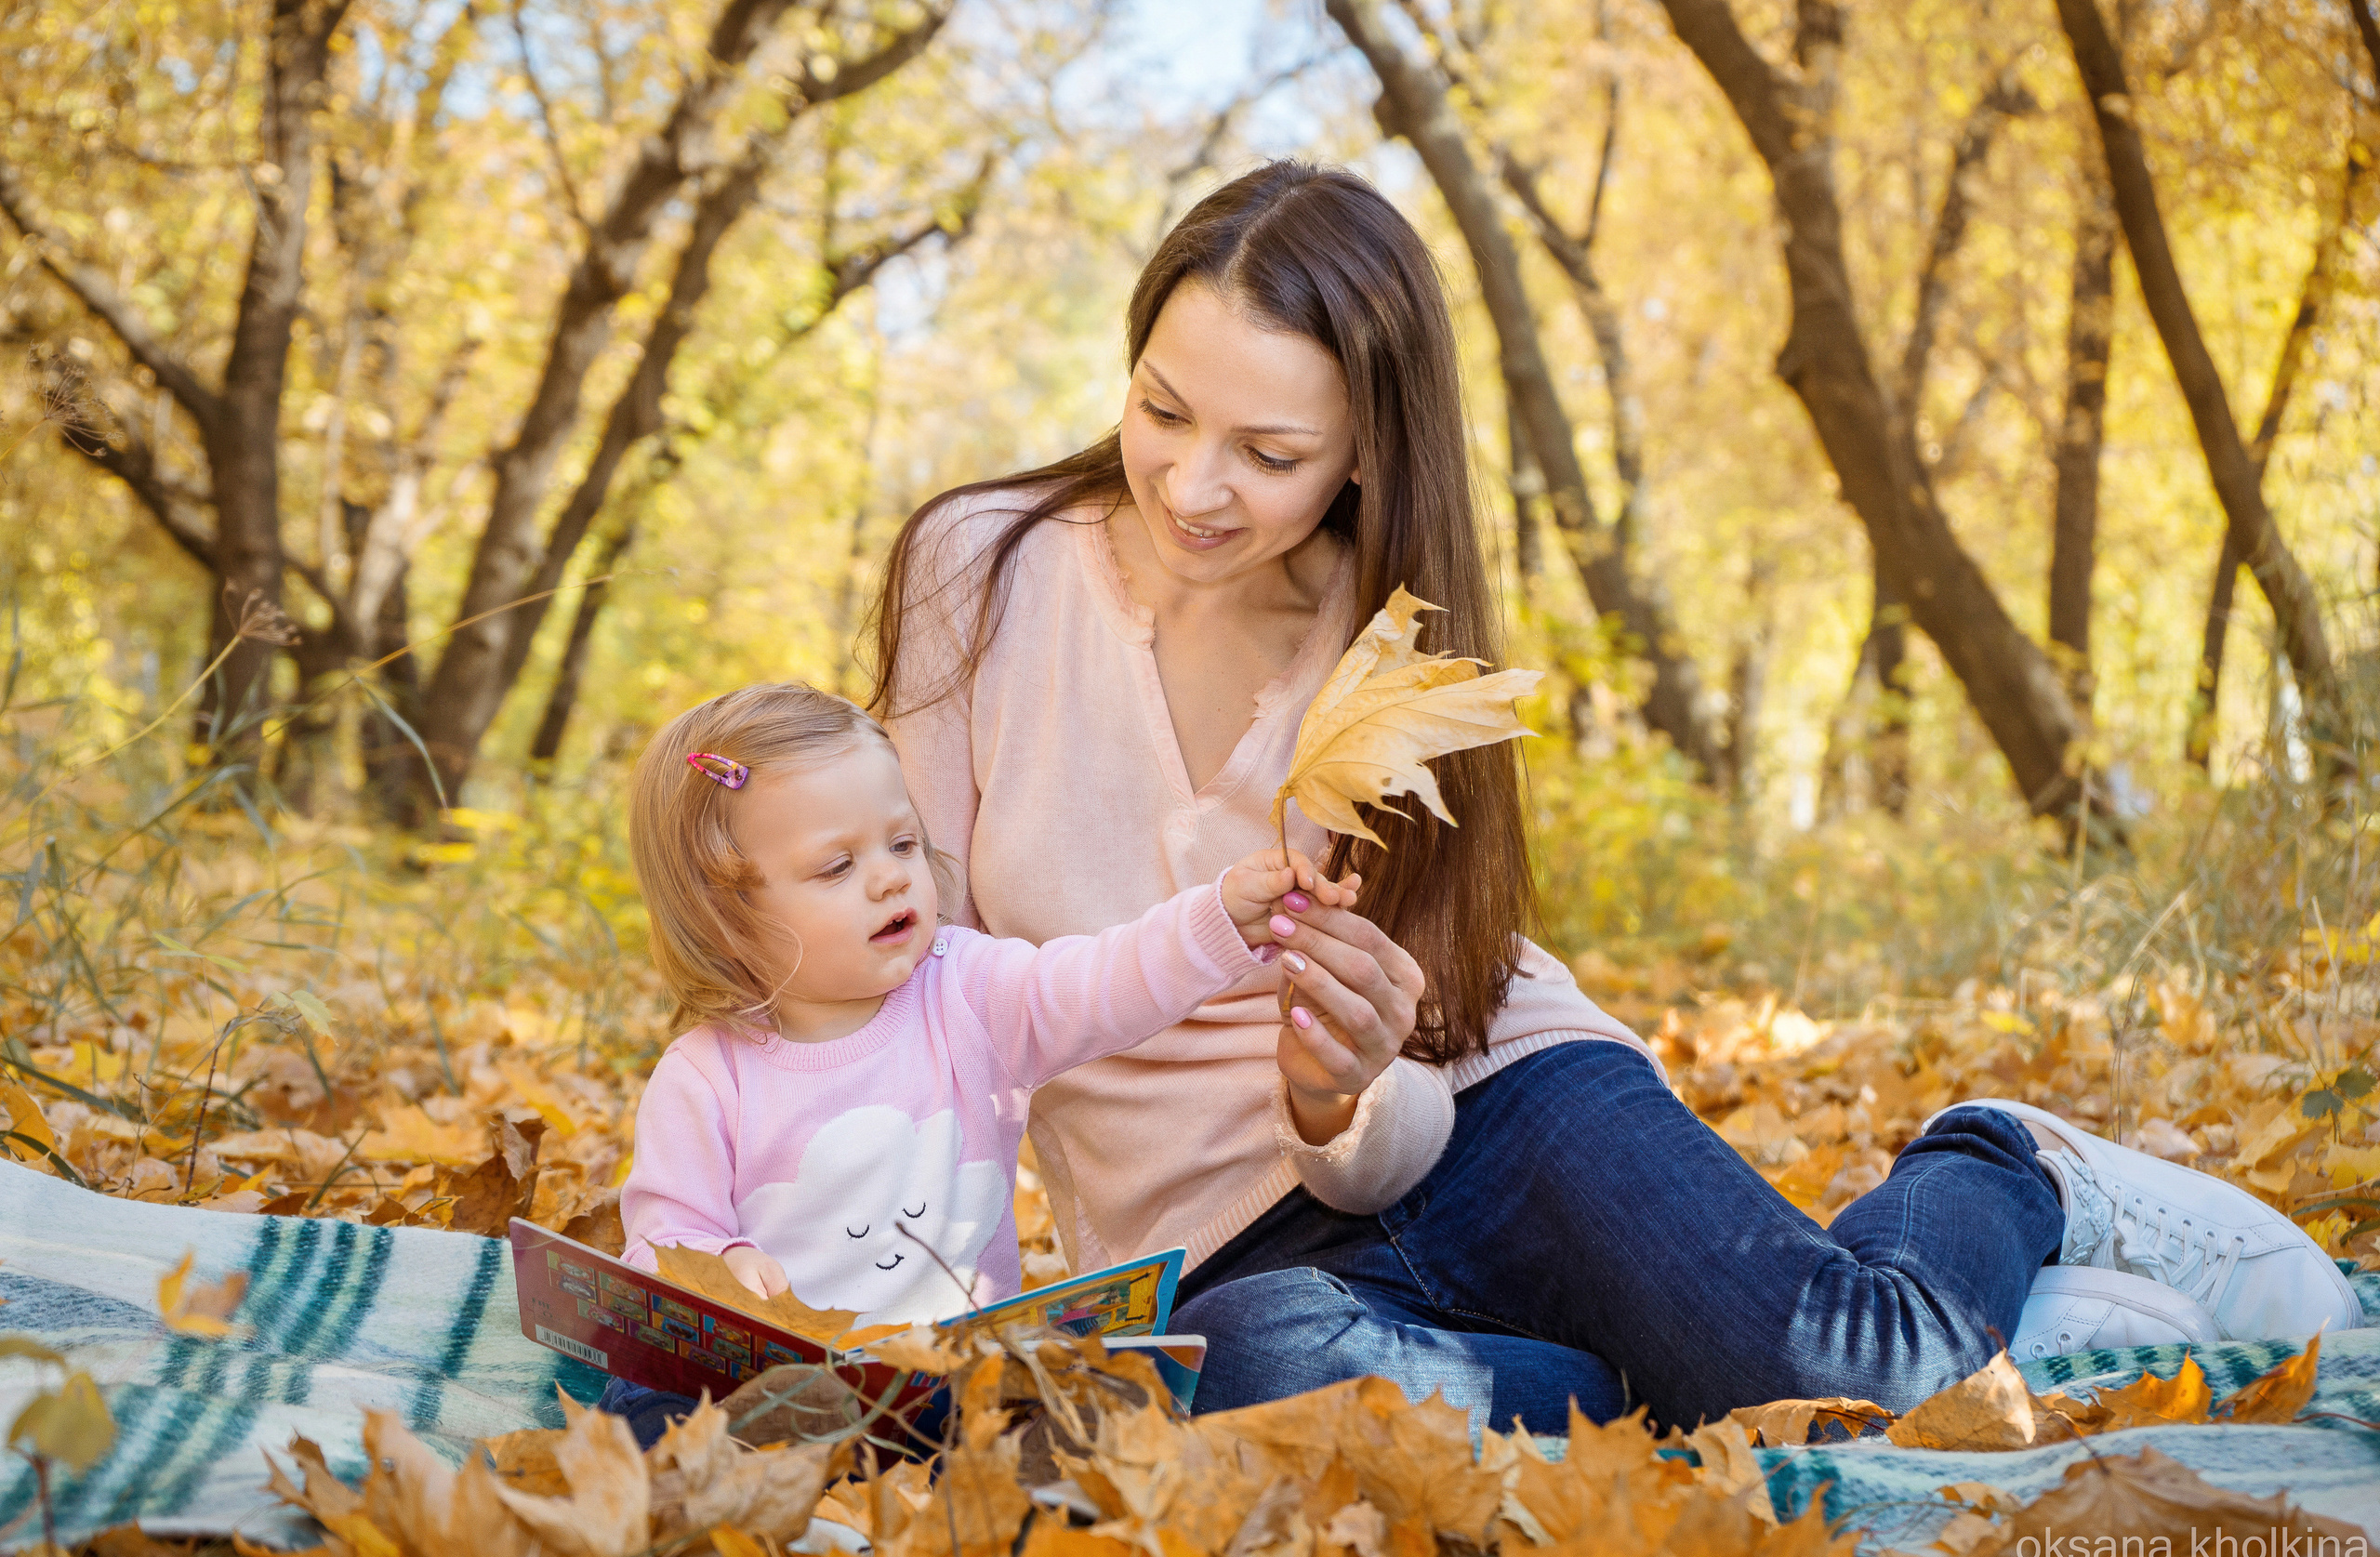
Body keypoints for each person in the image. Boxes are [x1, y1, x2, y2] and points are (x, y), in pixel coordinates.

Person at [870, 160, 2361, 1437]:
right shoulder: (981, 567)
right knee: (1247, 1380)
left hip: (1492, 1110)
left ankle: (2007, 1165)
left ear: (1362, 457)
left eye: (1267, 455)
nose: (1193, 485)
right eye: (1162, 410)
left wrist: (1334, 1084)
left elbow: (1403, 1106)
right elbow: (903, 968)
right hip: (1226, 1260)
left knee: (1860, 1381)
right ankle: (1676, 1364)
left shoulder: (1396, 652)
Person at [591, 680, 1345, 1443]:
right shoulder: (706, 1075)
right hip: (778, 1395)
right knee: (647, 1405)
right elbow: (666, 1232)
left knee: (1065, 1397)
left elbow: (1095, 983)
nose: (889, 876)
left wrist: (1214, 918)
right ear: (726, 921)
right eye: (835, 867)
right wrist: (718, 1265)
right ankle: (761, 1520)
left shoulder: (967, 990)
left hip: (949, 1390)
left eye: (903, 842)